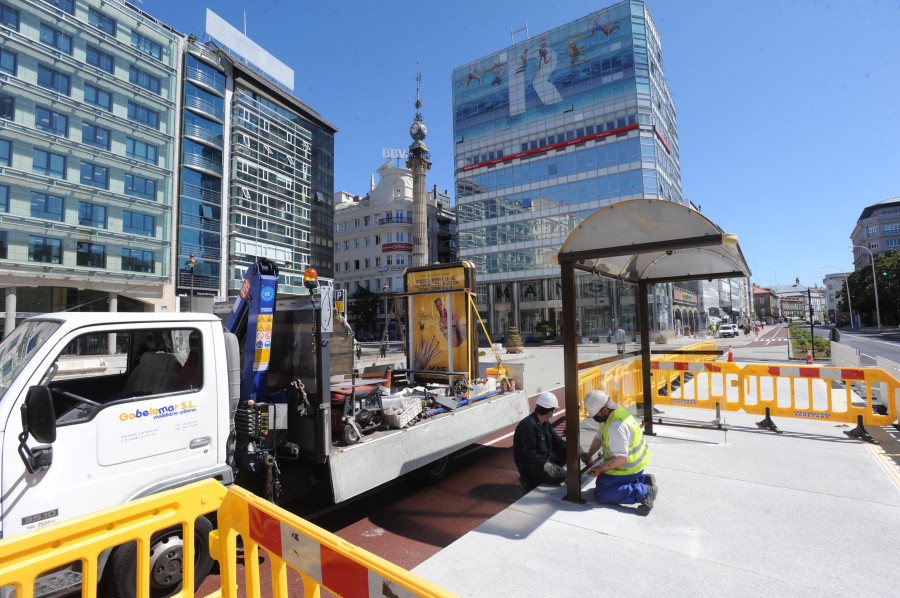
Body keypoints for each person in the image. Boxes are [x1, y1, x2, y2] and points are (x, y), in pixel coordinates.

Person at [581, 390, 657, 515]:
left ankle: (643, 492)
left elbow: (622, 458)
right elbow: (599, 438)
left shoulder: (616, 426)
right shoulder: (614, 414)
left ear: (604, 410)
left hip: (629, 467)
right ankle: (643, 479)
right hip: (637, 464)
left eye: (595, 415)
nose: (595, 418)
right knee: (602, 481)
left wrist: (601, 468)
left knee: (601, 493)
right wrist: (589, 454)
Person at [513, 392, 566, 488]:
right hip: (530, 465)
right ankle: (528, 479)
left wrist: (576, 450)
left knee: (567, 453)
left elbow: (558, 441)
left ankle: (545, 474)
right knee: (562, 476)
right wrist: (546, 466)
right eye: (554, 410)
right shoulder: (528, 426)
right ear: (549, 411)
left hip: (542, 458)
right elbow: (529, 454)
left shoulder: (545, 423)